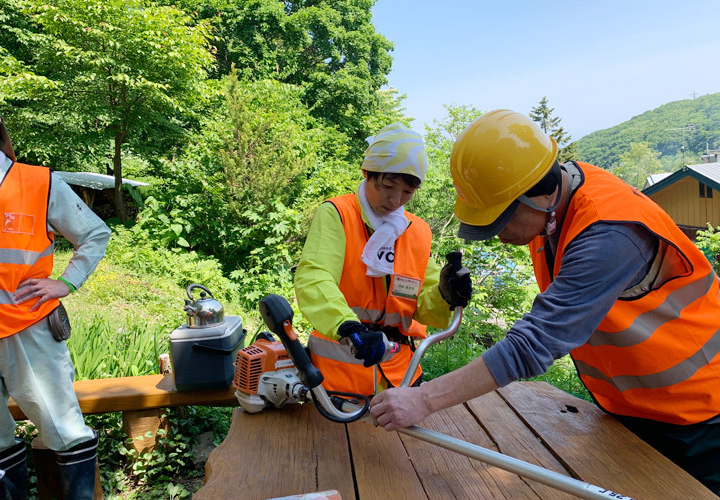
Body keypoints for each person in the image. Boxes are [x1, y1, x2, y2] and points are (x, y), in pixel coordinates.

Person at [370, 109, 720, 495]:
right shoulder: (556, 205)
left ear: (539, 194)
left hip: (700, 415)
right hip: (631, 408)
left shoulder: (610, 233)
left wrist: (424, 398)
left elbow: (535, 343)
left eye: (500, 221)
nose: (497, 235)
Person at [0, 86, 111, 499]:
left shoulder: (37, 182)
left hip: (28, 331)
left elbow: (94, 233)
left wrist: (65, 283)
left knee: (64, 430)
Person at [294, 123, 472, 396]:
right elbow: (314, 277)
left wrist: (444, 295)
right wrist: (348, 326)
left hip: (402, 375)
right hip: (339, 375)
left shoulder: (417, 231)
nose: (395, 200)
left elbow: (421, 305)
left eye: (407, 193)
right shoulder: (338, 214)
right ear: (368, 173)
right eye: (388, 186)